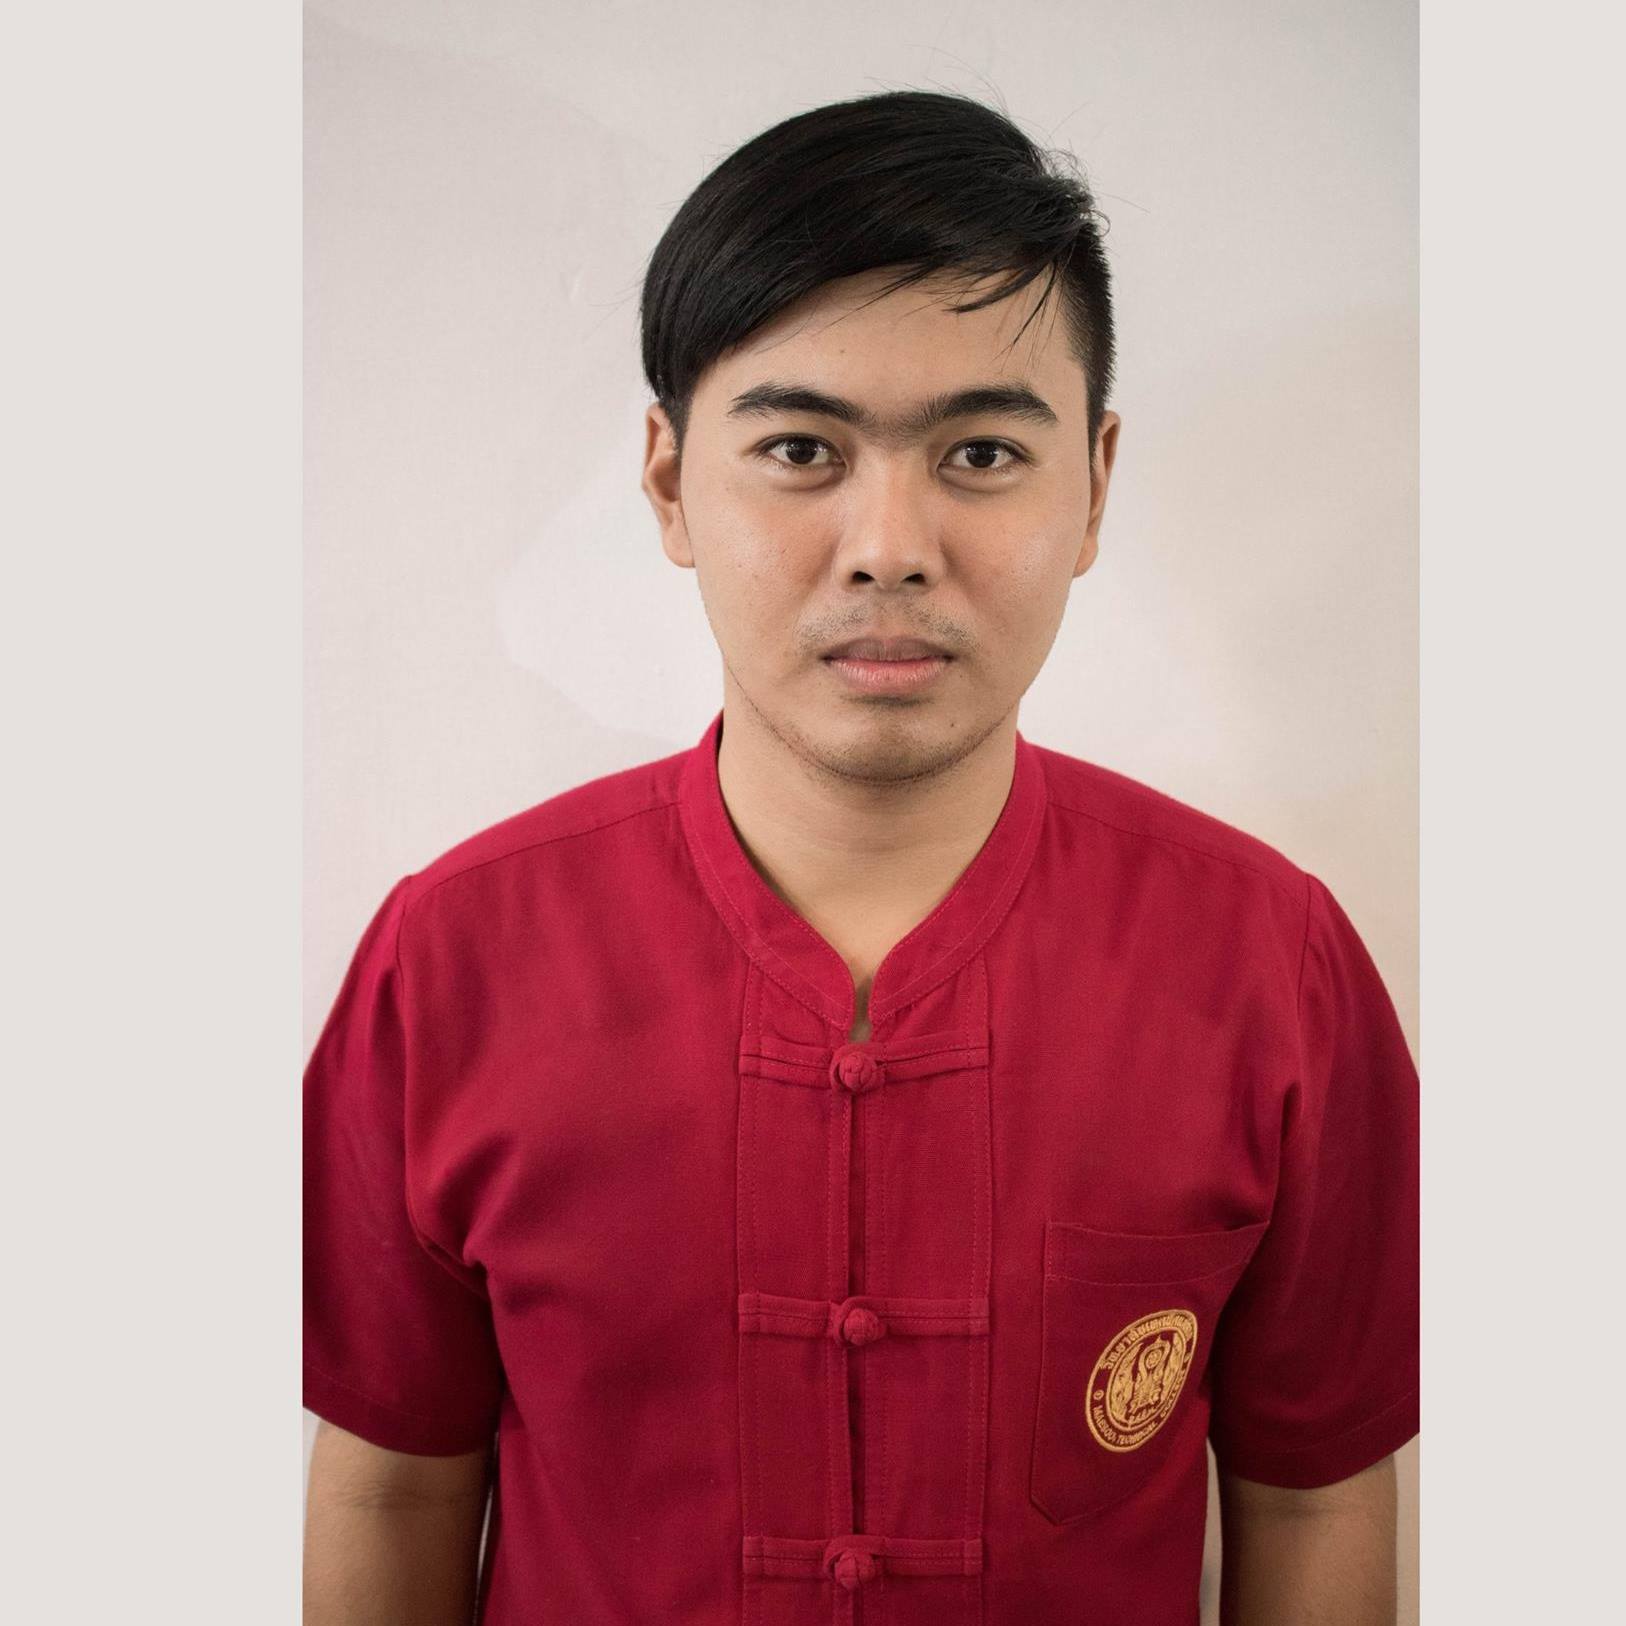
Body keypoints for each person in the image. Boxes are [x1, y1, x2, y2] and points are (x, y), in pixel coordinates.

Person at [304, 88, 1418, 1625]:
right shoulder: (450, 958)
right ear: (667, 479)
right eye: (799, 447)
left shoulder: (1271, 966)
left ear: (1092, 485)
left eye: (980, 451)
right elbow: (393, 1481)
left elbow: (1310, 1492)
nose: (889, 544)